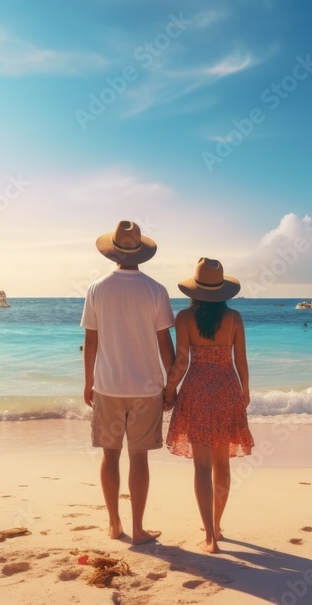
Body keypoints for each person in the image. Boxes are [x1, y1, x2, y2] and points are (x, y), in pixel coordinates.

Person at [81, 221, 175, 545]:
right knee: (139, 458)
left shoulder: (96, 288)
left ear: (112, 253)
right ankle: (138, 530)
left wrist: (87, 381)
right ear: (140, 252)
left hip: (107, 385)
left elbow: (90, 341)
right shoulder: (156, 290)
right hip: (147, 389)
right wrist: (172, 383)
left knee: (110, 455)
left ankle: (113, 524)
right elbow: (165, 343)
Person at [164, 258, 253, 554]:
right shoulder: (235, 319)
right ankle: (217, 526)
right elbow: (241, 361)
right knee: (222, 465)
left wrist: (169, 389)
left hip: (197, 390)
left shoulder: (185, 318)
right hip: (228, 388)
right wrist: (245, 390)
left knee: (202, 467)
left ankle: (209, 538)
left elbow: (181, 361)